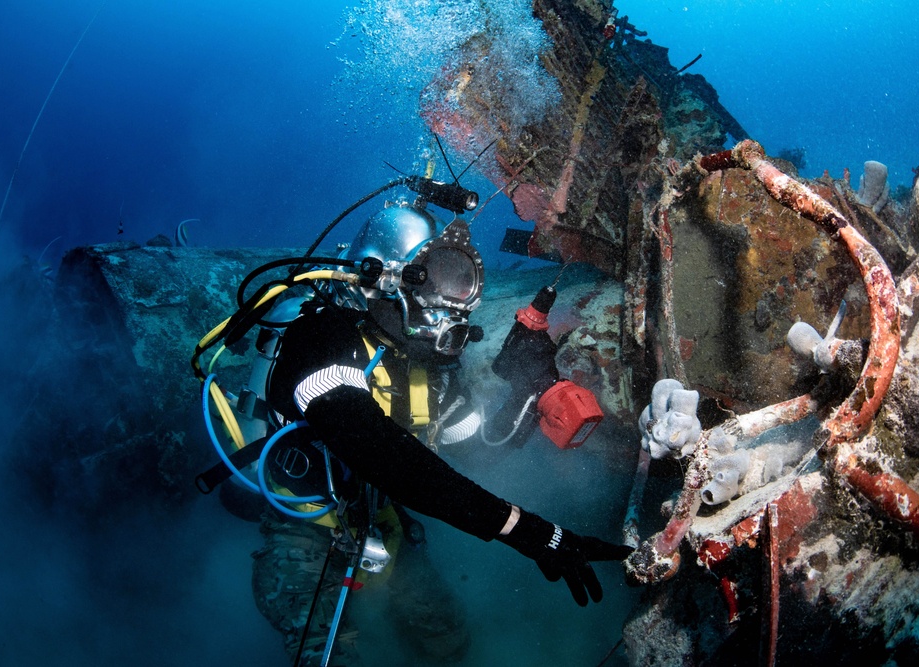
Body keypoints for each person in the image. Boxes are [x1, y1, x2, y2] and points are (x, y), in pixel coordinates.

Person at [200, 178, 633, 664]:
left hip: (380, 518)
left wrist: (527, 391)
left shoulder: (426, 369)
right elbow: (382, 454)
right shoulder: (319, 337)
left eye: (464, 282)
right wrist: (527, 531)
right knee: (326, 654)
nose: (457, 303)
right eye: (441, 277)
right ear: (385, 277)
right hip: (302, 523)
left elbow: (480, 448)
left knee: (449, 642)